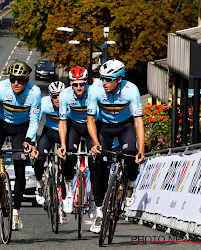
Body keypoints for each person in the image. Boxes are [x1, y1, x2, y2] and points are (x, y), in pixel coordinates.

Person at [0, 61, 41, 231]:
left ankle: (16, 213)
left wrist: (29, 139)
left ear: (26, 80)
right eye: (13, 79)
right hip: (0, 124)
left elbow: (35, 121)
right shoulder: (1, 87)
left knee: (20, 167)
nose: (16, 83)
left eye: (20, 80)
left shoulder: (34, 93)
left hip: (21, 128)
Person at [87, 59, 146, 233]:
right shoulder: (95, 89)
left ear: (119, 79)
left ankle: (130, 183)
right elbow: (90, 121)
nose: (103, 82)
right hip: (103, 127)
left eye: (108, 79)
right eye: (102, 78)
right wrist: (96, 143)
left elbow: (139, 123)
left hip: (125, 125)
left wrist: (141, 151)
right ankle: (99, 212)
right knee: (98, 167)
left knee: (130, 153)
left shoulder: (131, 90)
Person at [57, 66, 94, 217]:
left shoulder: (94, 92)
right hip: (74, 126)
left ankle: (93, 199)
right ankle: (68, 194)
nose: (79, 87)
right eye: (75, 84)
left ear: (86, 82)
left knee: (95, 161)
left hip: (92, 125)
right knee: (69, 157)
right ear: (70, 84)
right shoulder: (64, 95)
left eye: (82, 84)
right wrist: (63, 145)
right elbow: (62, 122)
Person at [32, 81, 65, 206]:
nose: (57, 99)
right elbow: (35, 123)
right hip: (49, 132)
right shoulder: (44, 103)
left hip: (65, 133)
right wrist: (33, 145)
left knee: (68, 161)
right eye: (54, 96)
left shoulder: (69, 102)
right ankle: (40, 184)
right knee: (39, 158)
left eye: (60, 96)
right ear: (50, 96)